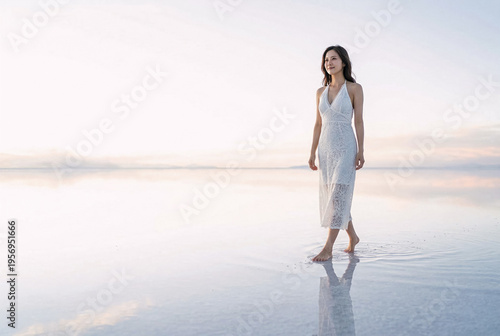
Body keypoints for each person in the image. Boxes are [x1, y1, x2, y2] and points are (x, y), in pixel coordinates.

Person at [308, 45, 365, 262]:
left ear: (343, 62)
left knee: (337, 196)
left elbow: (358, 121)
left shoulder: (354, 88)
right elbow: (317, 124)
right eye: (325, 60)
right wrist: (312, 153)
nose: (329, 63)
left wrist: (361, 150)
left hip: (346, 147)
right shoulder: (320, 92)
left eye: (333, 59)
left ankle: (328, 247)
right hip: (326, 149)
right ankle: (353, 236)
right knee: (335, 196)